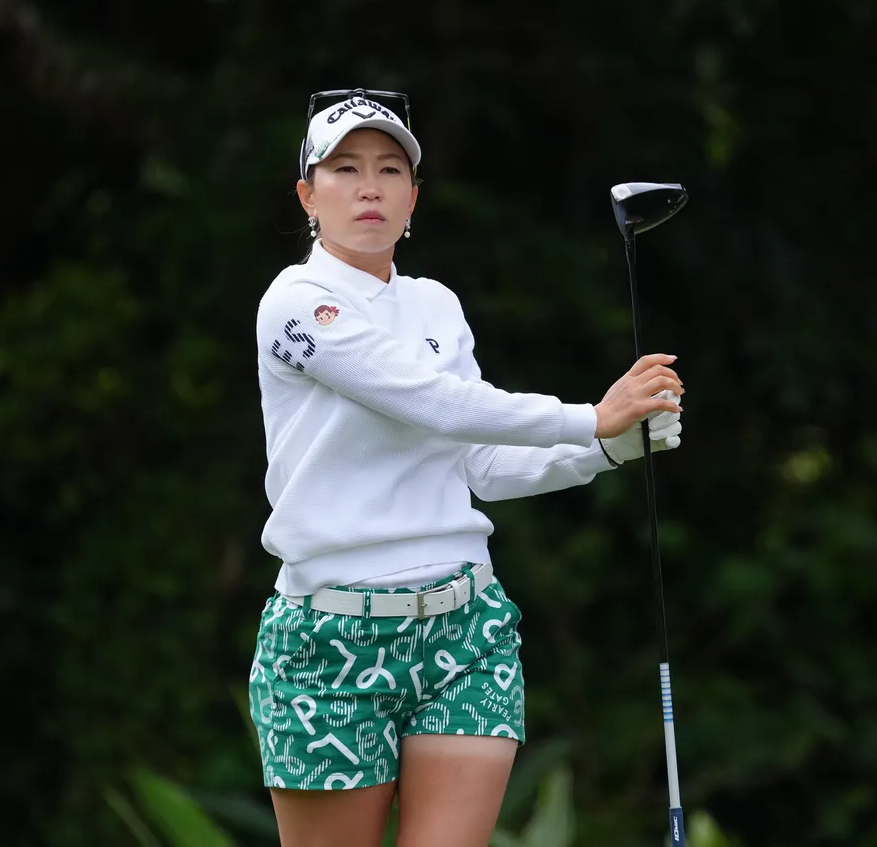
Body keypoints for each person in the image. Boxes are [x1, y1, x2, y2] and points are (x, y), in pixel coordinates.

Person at [247, 91, 687, 847]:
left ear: (413, 198)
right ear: (307, 195)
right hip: (329, 640)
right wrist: (591, 416)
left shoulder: (435, 305)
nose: (369, 186)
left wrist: (610, 447)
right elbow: (432, 402)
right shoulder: (295, 302)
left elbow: (479, 461)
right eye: (345, 168)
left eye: (390, 170)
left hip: (465, 629)